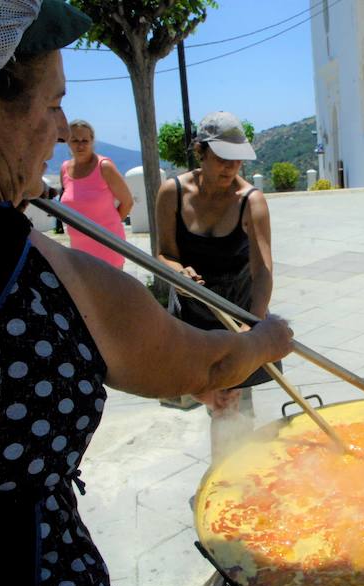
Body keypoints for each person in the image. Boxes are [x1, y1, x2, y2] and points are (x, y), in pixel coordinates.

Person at [0, 2, 293, 586]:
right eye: (53, 104)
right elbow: (209, 363)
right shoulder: (34, 273)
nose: (64, 128)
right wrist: (265, 340)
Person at [155, 111, 275, 458]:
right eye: (222, 158)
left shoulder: (250, 201)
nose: (230, 168)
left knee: (233, 408)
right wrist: (178, 271)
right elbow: (164, 254)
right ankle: (225, 484)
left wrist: (251, 327)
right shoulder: (172, 193)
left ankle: (233, 483)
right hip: (190, 313)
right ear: (199, 151)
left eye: (237, 160)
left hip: (236, 312)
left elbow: (263, 269)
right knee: (200, 394)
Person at [61, 119, 133, 268]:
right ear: (68, 142)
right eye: (75, 140)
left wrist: (106, 228)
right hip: (78, 248)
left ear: (92, 141)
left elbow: (127, 201)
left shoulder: (104, 167)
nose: (80, 145)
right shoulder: (64, 169)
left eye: (85, 140)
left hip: (106, 245)